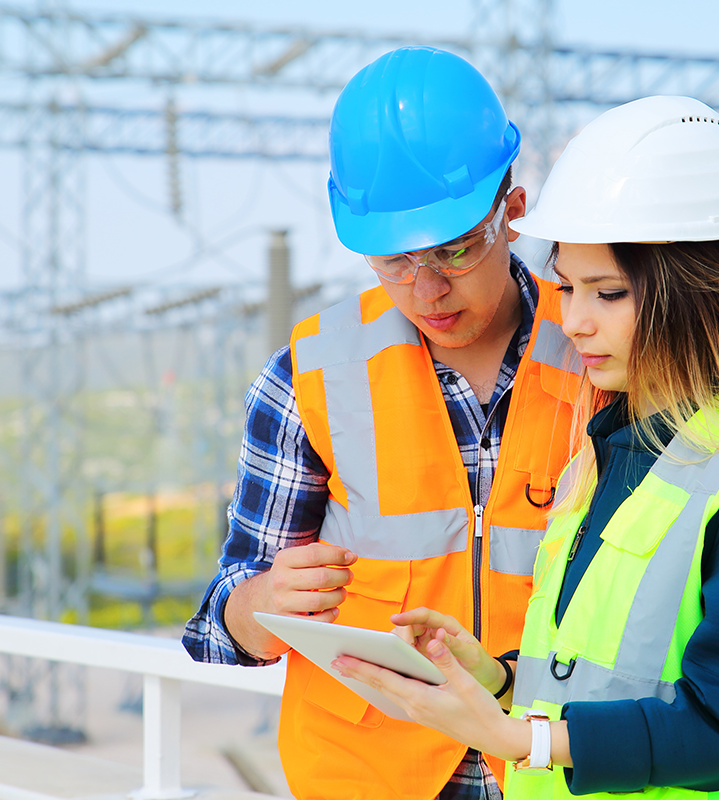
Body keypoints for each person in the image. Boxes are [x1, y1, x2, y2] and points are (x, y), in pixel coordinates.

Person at [333, 95, 719, 799]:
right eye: (567, 288)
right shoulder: (610, 451)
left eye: (609, 293)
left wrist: (516, 739)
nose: (574, 322)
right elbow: (600, 674)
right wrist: (497, 677)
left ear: (694, 291)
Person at [181, 46, 582, 800]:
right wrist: (256, 606)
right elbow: (221, 621)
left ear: (514, 211)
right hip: (370, 779)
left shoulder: (598, 351)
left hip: (554, 764)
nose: (426, 288)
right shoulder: (307, 377)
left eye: (456, 250)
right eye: (392, 260)